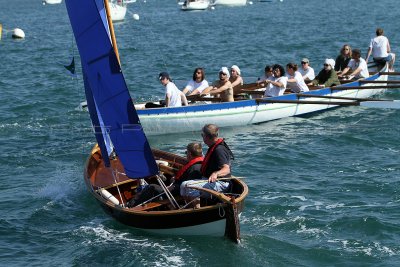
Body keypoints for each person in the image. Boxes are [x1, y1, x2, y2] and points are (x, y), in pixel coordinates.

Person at [180, 124, 234, 208]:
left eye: (202, 135)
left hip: (221, 183)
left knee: (190, 187)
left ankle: (198, 211)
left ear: (207, 137)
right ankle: (190, 207)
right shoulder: (213, 147)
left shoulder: (219, 150)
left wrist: (215, 173)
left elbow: (226, 169)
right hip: (210, 180)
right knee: (184, 185)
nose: (202, 137)